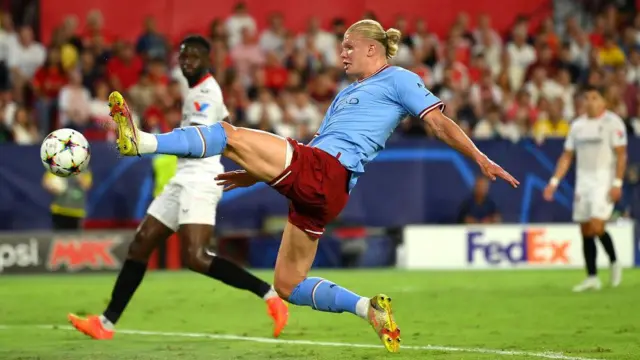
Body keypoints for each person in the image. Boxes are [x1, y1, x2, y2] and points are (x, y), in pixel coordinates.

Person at [107, 21, 518, 352]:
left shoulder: (398, 79)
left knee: (227, 134)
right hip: (322, 187)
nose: (341, 53)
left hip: (326, 173)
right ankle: (368, 309)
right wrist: (255, 171)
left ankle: (142, 142)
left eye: (348, 46)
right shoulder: (346, 95)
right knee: (286, 284)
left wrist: (479, 157)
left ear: (372, 49)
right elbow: (309, 149)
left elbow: (437, 122)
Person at [67, 36, 289, 340]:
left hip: (200, 178)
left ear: (208, 61)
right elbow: (225, 124)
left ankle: (269, 294)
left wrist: (148, 140)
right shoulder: (202, 92)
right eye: (183, 56)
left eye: (194, 57)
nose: (187, 61)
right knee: (140, 244)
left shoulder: (205, 93)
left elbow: (193, 139)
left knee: (196, 257)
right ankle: (105, 324)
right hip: (182, 178)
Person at [544, 85, 626, 292]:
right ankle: (592, 277)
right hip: (583, 182)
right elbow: (567, 156)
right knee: (585, 229)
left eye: (594, 98)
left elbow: (621, 154)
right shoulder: (578, 125)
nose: (589, 101)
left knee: (597, 226)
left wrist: (617, 183)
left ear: (603, 102)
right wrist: (554, 182)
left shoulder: (613, 123)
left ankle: (615, 262)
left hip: (603, 182)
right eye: (586, 98)